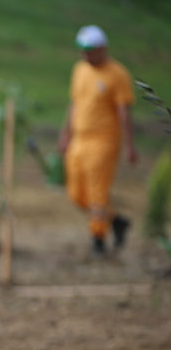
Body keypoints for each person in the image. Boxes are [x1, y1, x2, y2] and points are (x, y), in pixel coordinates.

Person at [58, 25, 137, 255]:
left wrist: (130, 145)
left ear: (102, 48)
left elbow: (124, 112)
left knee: (97, 192)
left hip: (104, 141)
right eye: (81, 50)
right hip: (79, 140)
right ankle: (116, 220)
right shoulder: (80, 70)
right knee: (76, 194)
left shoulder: (117, 75)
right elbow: (74, 104)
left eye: (89, 50)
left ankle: (98, 239)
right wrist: (66, 134)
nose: (85, 55)